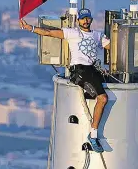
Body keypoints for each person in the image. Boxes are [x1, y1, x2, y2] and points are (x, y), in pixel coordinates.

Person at [19, 8, 110, 153]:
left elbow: (115, 47)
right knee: (103, 98)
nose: (85, 21)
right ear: (78, 20)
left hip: (92, 69)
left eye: (87, 18)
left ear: (91, 19)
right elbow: (49, 33)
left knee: (113, 84)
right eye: (83, 18)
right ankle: (93, 135)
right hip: (80, 69)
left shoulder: (97, 36)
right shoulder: (73, 33)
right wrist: (30, 28)